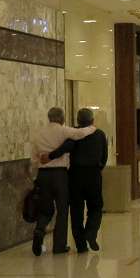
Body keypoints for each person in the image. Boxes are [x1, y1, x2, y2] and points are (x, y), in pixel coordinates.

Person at [29, 107, 97, 256]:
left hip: (43, 174)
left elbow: (34, 159)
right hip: (60, 175)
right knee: (62, 210)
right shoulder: (63, 130)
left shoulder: (38, 134)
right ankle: (59, 246)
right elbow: (80, 133)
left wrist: (36, 176)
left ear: (49, 118)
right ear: (61, 118)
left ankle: (39, 230)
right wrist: (92, 127)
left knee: (46, 209)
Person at [45, 108, 109, 253]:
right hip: (93, 174)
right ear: (92, 121)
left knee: (76, 211)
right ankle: (91, 232)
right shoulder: (100, 134)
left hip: (75, 175)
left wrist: (49, 156)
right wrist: (98, 168)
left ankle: (81, 245)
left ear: (78, 121)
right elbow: (104, 156)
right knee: (96, 207)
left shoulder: (74, 134)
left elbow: (64, 148)